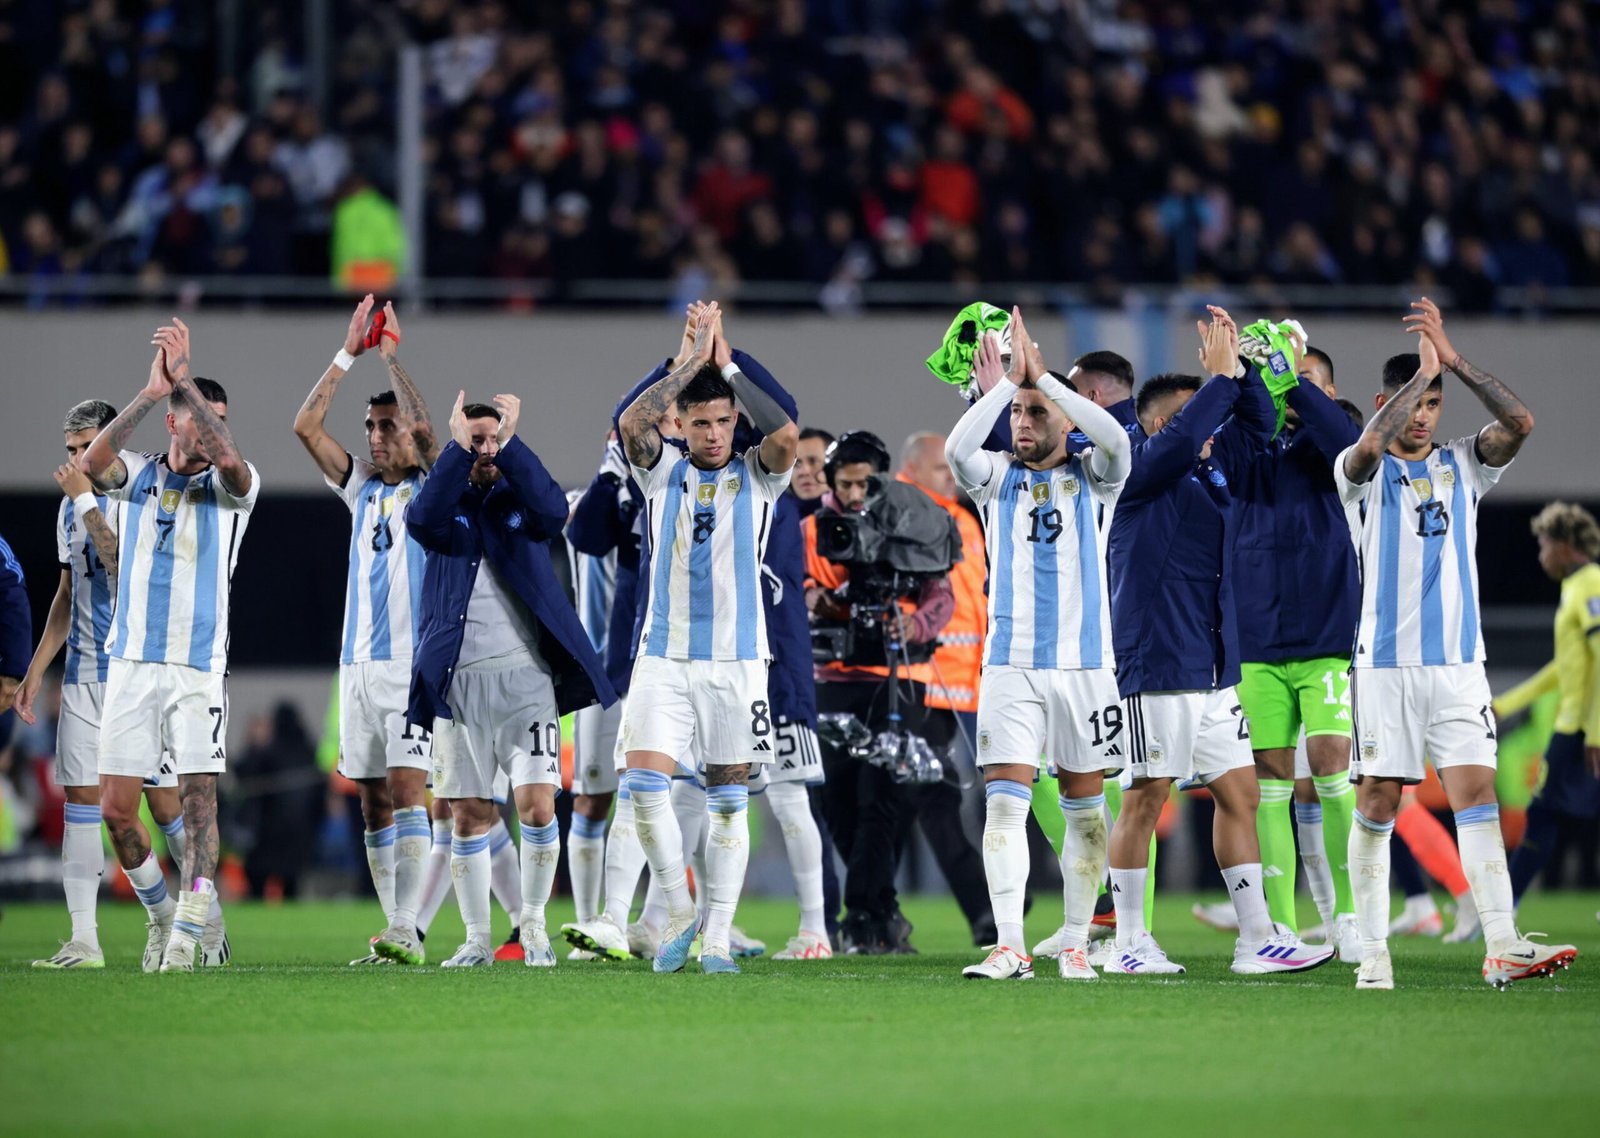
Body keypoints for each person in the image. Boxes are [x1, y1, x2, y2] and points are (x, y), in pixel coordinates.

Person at [1335, 296, 1576, 989]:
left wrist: (1454, 359)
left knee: (1476, 794)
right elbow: (1367, 449)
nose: (1424, 413)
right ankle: (1374, 952)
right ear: (1389, 398)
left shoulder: (1466, 464)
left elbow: (1521, 422)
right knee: (1379, 802)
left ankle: (1501, 941)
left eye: (1435, 401)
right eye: (1414, 399)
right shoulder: (1361, 470)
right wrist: (1419, 373)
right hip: (1384, 668)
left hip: (1460, 669)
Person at [1104, 306, 1331, 977]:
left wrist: (1252, 373)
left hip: (1213, 669)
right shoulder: (1138, 469)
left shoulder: (1212, 466)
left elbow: (1258, 423)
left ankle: (1256, 938)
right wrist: (1220, 381)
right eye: (1192, 413)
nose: (1206, 428)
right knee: (1146, 796)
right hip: (1159, 662)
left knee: (1239, 794)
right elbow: (1183, 439)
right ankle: (1129, 943)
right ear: (1153, 421)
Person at [946, 312, 1133, 981]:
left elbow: (1116, 438)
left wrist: (1045, 380)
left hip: (1086, 670)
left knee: (1086, 810)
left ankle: (1080, 942)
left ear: (1066, 418)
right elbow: (954, 452)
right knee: (1004, 804)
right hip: (1011, 667)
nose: (1023, 424)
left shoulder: (1099, 476)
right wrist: (1006, 388)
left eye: (1035, 413)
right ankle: (1009, 945)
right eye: (1017, 414)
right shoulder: (995, 477)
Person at [614, 301, 799, 975]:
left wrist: (727, 363)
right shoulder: (659, 469)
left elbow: (785, 428)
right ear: (683, 425)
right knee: (643, 782)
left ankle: (717, 935)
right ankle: (681, 908)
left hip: (736, 662)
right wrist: (685, 363)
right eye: (702, 421)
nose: (716, 431)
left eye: (724, 419)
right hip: (662, 657)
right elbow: (630, 421)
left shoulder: (760, 473)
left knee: (726, 798)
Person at [406, 392, 616, 968]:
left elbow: (552, 514)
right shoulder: (444, 507)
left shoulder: (516, 501)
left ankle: (535, 927)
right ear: (459, 442)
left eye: (493, 438)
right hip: (460, 684)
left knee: (537, 807)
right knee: (468, 815)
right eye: (476, 439)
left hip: (526, 680)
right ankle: (476, 938)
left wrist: (512, 444)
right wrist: (457, 448)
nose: (486, 448)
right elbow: (421, 521)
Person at [79, 317, 258, 972]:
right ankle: (162, 917)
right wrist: (154, 391)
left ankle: (195, 932)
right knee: (118, 814)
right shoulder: (139, 474)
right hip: (129, 665)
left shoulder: (234, 488)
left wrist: (186, 384)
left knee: (199, 806)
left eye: (223, 420)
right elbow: (91, 464)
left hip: (196, 670)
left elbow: (232, 460)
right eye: (203, 417)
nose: (216, 430)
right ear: (174, 424)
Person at [17, 401, 191, 968]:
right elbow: (68, 596)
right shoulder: (68, 511)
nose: (76, 460)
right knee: (84, 803)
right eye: (69, 450)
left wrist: (86, 500)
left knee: (164, 806)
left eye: (86, 447)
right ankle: (87, 938)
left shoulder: (137, 496)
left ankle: (197, 919)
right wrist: (37, 669)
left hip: (141, 672)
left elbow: (121, 565)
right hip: (86, 676)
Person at [293, 295, 439, 965]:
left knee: (411, 790)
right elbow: (305, 426)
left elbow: (430, 434)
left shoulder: (433, 487)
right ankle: (393, 931)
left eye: (387, 428)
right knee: (374, 800)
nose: (377, 436)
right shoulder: (361, 489)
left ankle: (408, 925)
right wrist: (347, 354)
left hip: (412, 668)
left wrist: (392, 359)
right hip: (357, 668)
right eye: (372, 427)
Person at [1225, 339, 1363, 958]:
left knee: (1333, 768)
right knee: (1271, 784)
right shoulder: (1251, 443)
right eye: (1278, 377)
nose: (1284, 388)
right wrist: (1254, 382)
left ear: (1325, 390)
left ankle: (1353, 917)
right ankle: (1280, 923)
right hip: (1254, 640)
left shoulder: (1338, 440)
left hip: (1327, 635)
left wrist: (1293, 382)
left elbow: (1343, 439)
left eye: (1303, 380)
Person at [806, 430, 954, 953]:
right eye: (844, 484)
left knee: (882, 800)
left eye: (864, 484)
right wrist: (813, 598)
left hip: (900, 677)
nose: (853, 495)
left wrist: (913, 628)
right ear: (828, 481)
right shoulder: (808, 531)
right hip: (831, 678)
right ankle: (883, 912)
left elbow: (942, 594)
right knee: (837, 805)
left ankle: (864, 918)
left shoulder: (915, 519)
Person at [895, 430, 993, 946]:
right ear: (910, 471)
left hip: (974, 682)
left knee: (1004, 795)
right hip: (924, 684)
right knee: (930, 801)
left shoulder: (963, 518)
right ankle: (985, 908)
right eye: (941, 470)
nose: (952, 479)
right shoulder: (899, 515)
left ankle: (997, 900)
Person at [1500, 503, 1600, 903]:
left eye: (1543, 545)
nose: (1540, 556)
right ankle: (1500, 910)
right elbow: (1565, 667)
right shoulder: (1576, 587)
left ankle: (1500, 910)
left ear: (1563, 544)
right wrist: (1507, 703)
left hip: (1580, 729)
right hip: (1575, 726)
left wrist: (1595, 731)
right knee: (1543, 815)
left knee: (1543, 815)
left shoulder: (1590, 584)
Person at [790, 427, 834, 514]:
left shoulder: (862, 520)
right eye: (797, 463)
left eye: (813, 461)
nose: (803, 472)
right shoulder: (772, 521)